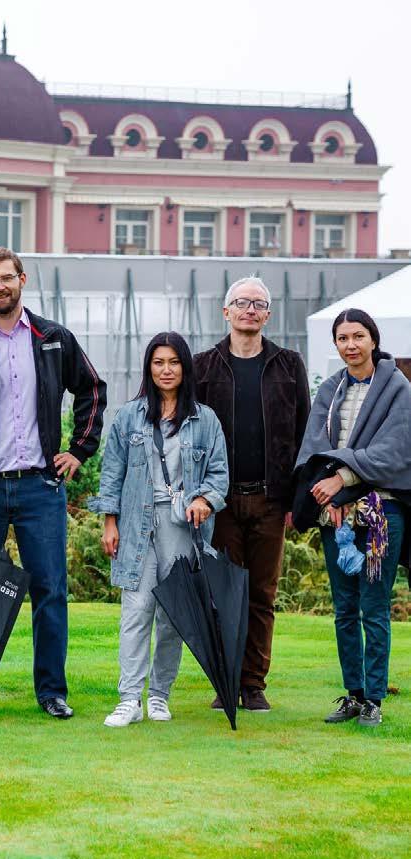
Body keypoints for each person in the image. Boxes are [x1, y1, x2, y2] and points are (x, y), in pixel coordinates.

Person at [0, 246, 106, 719]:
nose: (0, 286)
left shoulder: (53, 338)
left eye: (7, 278)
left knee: (50, 590)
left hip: (40, 488)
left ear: (22, 280)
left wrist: (79, 450)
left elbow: (92, 389)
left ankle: (52, 691)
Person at [91, 332, 229, 727]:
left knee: (173, 615)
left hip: (182, 525)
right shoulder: (129, 416)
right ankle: (129, 699)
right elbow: (112, 472)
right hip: (136, 522)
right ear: (148, 368)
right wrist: (110, 522)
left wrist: (204, 500)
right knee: (136, 611)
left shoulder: (205, 420)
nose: (166, 370)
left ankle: (159, 695)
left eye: (173, 362)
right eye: (158, 362)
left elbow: (219, 474)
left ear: (185, 367)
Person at [193, 276, 311, 712]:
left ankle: (253, 683)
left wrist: (297, 500)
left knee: (261, 596)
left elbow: (305, 433)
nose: (250, 310)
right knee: (224, 595)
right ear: (226, 312)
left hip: (271, 500)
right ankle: (226, 680)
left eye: (258, 304)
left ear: (268, 314)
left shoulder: (288, 365)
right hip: (218, 500)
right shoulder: (203, 366)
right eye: (242, 302)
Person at [295, 308, 411, 728]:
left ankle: (374, 698)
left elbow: (394, 450)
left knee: (373, 606)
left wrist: (342, 479)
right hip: (336, 515)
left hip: (382, 511)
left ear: (373, 339)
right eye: (342, 338)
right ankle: (354, 694)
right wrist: (330, 491)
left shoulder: (398, 388)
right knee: (344, 608)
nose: (351, 345)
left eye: (358, 336)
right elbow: (314, 448)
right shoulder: (330, 390)